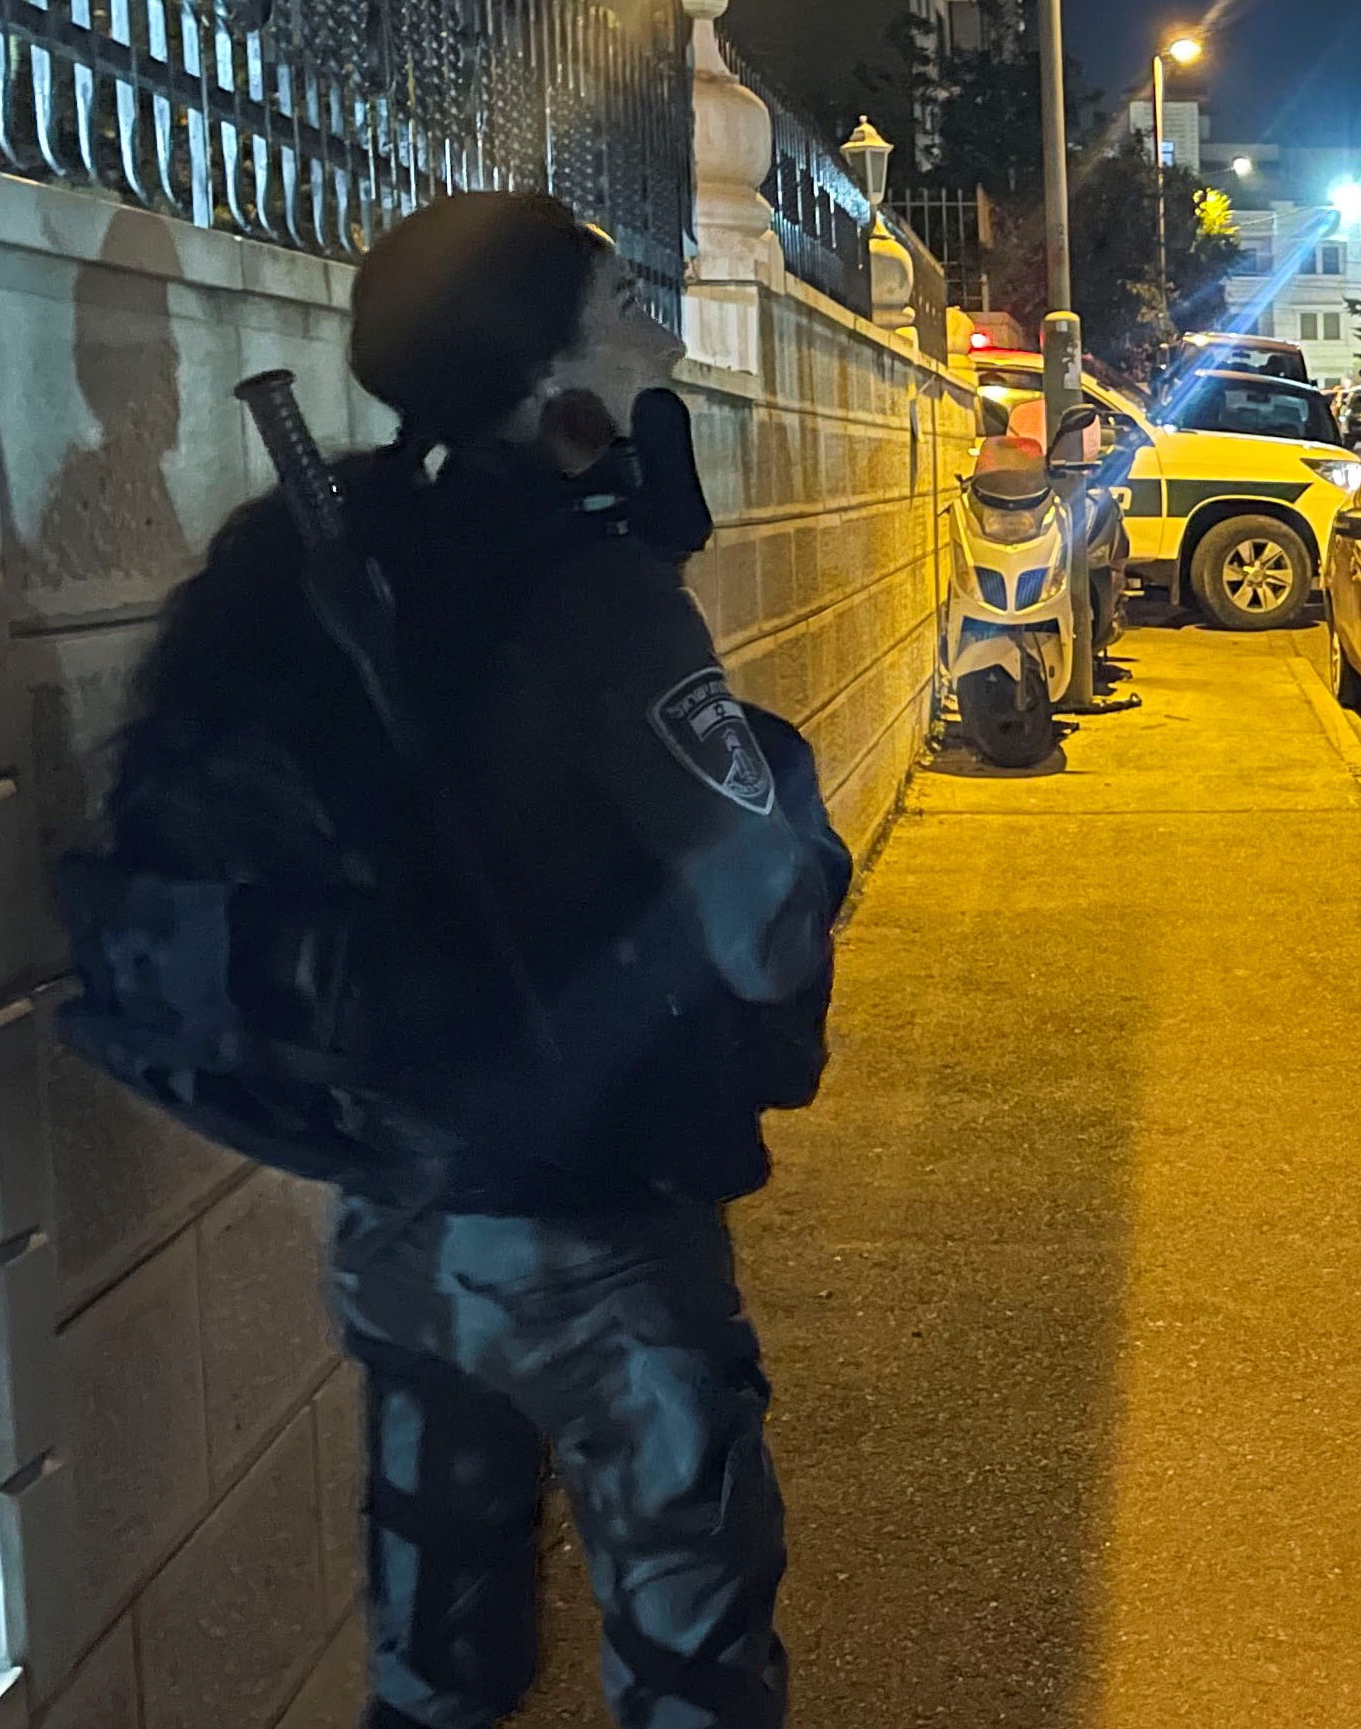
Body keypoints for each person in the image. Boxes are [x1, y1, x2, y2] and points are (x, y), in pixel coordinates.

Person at [87, 193, 843, 1727]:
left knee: (436, 1661)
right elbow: (762, 928)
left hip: (403, 1213)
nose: (659, 330)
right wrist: (781, 785)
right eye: (624, 300)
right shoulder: (598, 597)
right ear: (543, 368)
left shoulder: (308, 555)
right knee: (690, 1659)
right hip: (600, 1240)